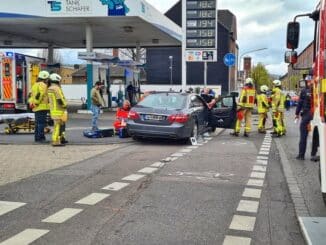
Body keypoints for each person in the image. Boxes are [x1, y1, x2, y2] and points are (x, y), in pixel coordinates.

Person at [28, 70, 50, 143]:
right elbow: (40, 95)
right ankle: (41, 138)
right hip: (41, 107)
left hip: (36, 107)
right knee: (41, 123)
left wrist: (32, 103)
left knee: (37, 123)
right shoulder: (43, 85)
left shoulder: (35, 84)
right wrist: (37, 103)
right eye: (47, 78)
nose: (48, 80)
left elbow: (31, 95)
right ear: (45, 78)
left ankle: (37, 138)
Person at [47, 73, 68, 146]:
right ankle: (56, 141)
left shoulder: (50, 88)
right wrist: (64, 105)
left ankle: (59, 139)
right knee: (58, 127)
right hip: (59, 110)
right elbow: (60, 99)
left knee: (57, 126)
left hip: (54, 110)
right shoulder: (56, 88)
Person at [295, 79, 313, 160]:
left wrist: (297, 114)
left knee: (303, 136)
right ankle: (315, 155)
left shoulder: (304, 91)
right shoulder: (319, 89)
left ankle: (301, 155)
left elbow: (300, 103)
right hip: (317, 115)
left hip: (307, 115)